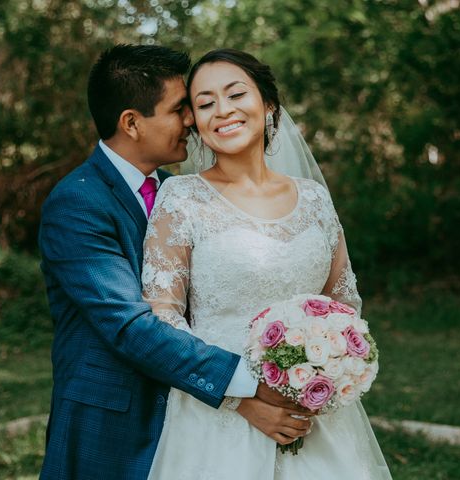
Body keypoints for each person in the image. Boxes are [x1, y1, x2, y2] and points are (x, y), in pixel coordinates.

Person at [38, 44, 311, 480]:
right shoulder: (78, 203)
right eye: (180, 108)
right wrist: (251, 388)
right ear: (131, 122)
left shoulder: (180, 191)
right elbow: (130, 326)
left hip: (192, 414)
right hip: (112, 423)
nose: (192, 121)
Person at [143, 49, 392, 479]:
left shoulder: (313, 197)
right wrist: (242, 399)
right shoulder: (181, 199)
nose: (223, 110)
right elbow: (163, 317)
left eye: (236, 94)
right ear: (197, 123)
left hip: (312, 417)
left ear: (268, 105)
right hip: (217, 420)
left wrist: (325, 372)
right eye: (204, 103)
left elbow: (343, 305)